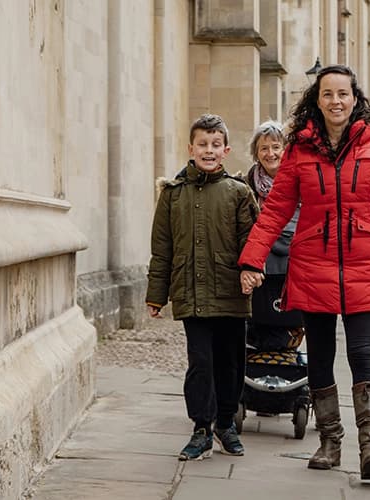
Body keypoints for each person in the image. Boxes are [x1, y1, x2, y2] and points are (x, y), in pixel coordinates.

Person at [236, 65, 370, 480]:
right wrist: (253, 260)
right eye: (328, 94)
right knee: (320, 359)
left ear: (354, 99)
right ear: (317, 100)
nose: (336, 101)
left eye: (343, 93)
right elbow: (275, 211)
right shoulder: (299, 149)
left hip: (366, 265)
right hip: (312, 267)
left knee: (363, 355)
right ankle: (329, 442)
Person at [146, 114, 257, 461]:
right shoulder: (172, 195)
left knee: (231, 363)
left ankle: (226, 423)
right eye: (202, 145)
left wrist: (252, 270)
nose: (208, 151)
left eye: (215, 145)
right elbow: (161, 248)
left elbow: (252, 242)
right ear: (190, 148)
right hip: (191, 293)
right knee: (200, 363)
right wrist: (156, 294)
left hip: (230, 293)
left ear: (225, 150)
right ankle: (200, 429)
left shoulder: (239, 193)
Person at [242, 120, 304, 359]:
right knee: (257, 336)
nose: (271, 153)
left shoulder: (300, 182)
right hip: (260, 272)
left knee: (288, 336)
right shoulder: (247, 186)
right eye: (264, 148)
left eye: (276, 147)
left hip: (293, 270)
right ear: (256, 153)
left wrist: (267, 234)